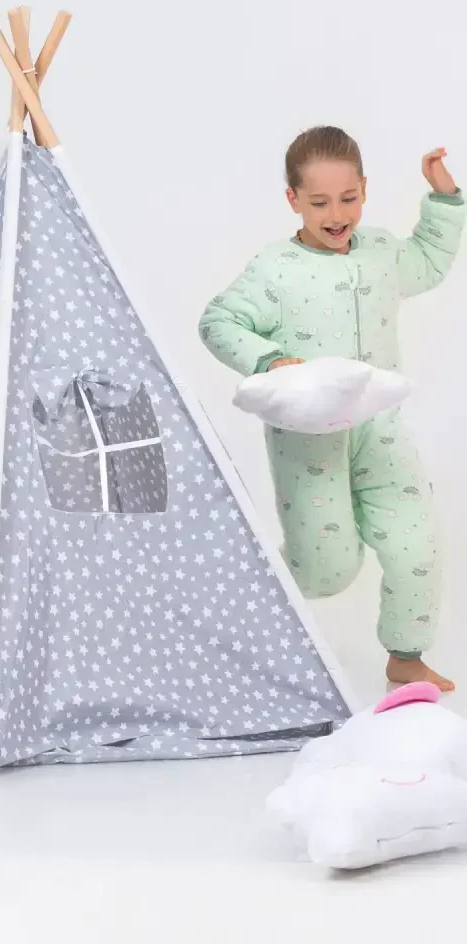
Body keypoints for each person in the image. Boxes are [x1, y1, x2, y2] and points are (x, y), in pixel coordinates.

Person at [199, 126, 464, 691]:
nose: (337, 215)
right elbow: (218, 320)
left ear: (364, 188)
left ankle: (406, 656)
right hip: (308, 434)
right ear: (293, 199)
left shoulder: (381, 253)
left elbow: (428, 262)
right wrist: (269, 360)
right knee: (327, 570)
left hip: (379, 426)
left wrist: (443, 198)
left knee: (416, 543)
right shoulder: (276, 268)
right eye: (319, 202)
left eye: (348, 198)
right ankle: (243, 611)